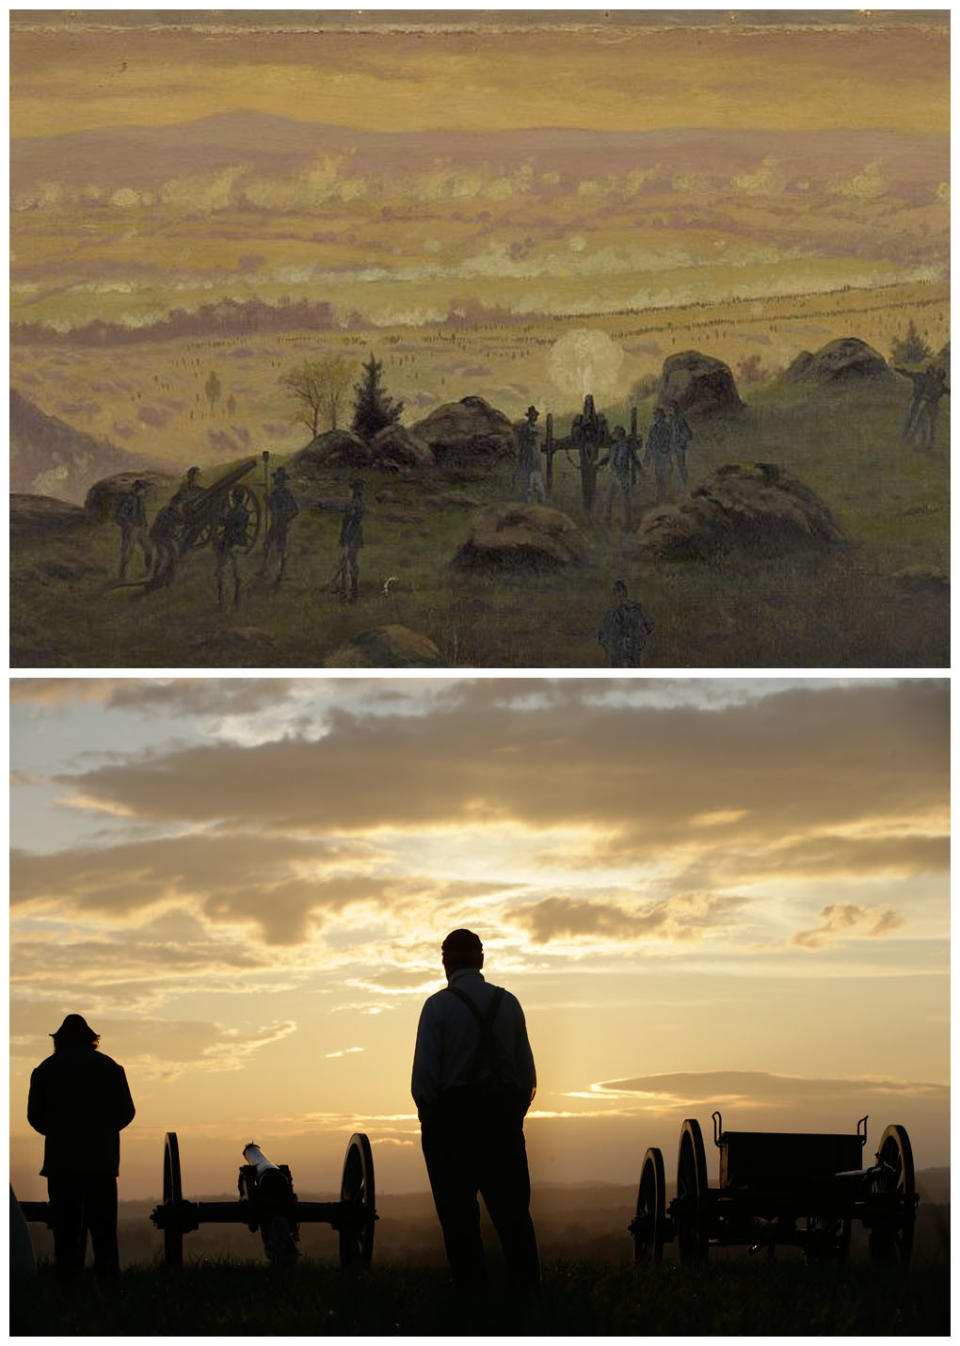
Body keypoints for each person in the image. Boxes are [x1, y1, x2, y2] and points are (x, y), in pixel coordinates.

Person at [412, 929, 540, 1299]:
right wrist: (512, 1115)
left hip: (452, 1124)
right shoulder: (509, 1003)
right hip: (501, 1120)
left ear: (445, 963)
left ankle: (473, 1297)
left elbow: (424, 1081)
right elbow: (527, 1075)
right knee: (514, 1215)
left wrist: (433, 1122)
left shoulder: (437, 1007)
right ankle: (527, 1294)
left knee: (458, 1219)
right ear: (480, 960)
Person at [27, 1014, 135, 1281]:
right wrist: (103, 1132)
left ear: (59, 1041)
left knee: (65, 1228)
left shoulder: (44, 1070)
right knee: (104, 1228)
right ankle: (107, 1280)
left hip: (61, 1161)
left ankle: (67, 1280)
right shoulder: (110, 1068)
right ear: (92, 1040)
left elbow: (35, 1117)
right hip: (101, 1161)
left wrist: (58, 1132)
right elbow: (126, 1112)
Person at [598, 580, 654, 666]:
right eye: (616, 592)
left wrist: (639, 641)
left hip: (633, 652)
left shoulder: (637, 609)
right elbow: (602, 636)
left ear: (624, 592)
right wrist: (610, 648)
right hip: (618, 654)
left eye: (619, 592)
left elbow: (649, 626)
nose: (618, 595)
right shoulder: (612, 614)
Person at [259, 466, 299, 584]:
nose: (276, 481)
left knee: (281, 549)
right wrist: (267, 500)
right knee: (267, 544)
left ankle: (280, 573)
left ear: (282, 481)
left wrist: (286, 518)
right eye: (276, 479)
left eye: (279, 479)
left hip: (281, 525)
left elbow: (295, 510)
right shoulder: (274, 493)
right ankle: (264, 568)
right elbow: (271, 508)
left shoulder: (287, 494)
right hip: (274, 524)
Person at [598, 425, 642, 528]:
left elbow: (635, 460)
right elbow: (605, 458)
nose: (614, 436)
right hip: (614, 476)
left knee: (625, 500)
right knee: (609, 498)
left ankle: (628, 523)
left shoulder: (627, 447)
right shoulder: (613, 448)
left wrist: (641, 470)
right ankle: (606, 521)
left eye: (615, 434)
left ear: (619, 435)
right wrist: (597, 464)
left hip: (624, 476)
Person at [215, 486, 250, 608]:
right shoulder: (243, 511)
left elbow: (232, 528)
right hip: (239, 545)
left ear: (235, 499)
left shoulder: (234, 512)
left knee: (225, 575)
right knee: (238, 576)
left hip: (232, 545)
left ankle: (225, 604)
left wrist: (226, 539)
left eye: (234, 498)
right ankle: (236, 604)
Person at [333, 479, 364, 604]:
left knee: (349, 564)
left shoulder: (355, 504)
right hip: (351, 535)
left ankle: (350, 593)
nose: (349, 491)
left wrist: (344, 535)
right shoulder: (355, 503)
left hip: (352, 535)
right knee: (346, 563)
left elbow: (349, 520)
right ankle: (345, 591)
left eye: (351, 489)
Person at [114, 479, 152, 581]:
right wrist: (129, 525)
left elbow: (142, 515)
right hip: (131, 529)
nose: (145, 491)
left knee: (149, 548)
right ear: (137, 489)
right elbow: (120, 515)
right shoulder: (129, 499)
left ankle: (149, 572)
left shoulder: (140, 500)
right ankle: (123, 577)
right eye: (144, 489)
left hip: (140, 528)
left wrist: (145, 524)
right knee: (127, 553)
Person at [145, 499, 182, 590]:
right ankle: (159, 580)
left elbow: (180, 521)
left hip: (162, 536)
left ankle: (165, 581)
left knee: (168, 557)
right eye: (177, 505)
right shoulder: (168, 513)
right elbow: (168, 526)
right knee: (166, 557)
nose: (178, 507)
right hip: (160, 536)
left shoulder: (168, 511)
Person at [513, 406, 546, 504]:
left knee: (541, 493)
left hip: (536, 465)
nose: (535, 417)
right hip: (528, 465)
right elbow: (526, 439)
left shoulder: (535, 429)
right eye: (533, 415)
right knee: (528, 491)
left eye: (536, 415)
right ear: (529, 416)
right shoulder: (525, 429)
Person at [644, 406, 673, 503]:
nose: (655, 416)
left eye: (657, 414)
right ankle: (659, 497)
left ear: (662, 415)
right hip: (656, 456)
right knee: (658, 476)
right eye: (654, 415)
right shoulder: (653, 428)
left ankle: (666, 497)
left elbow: (671, 441)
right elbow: (649, 442)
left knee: (665, 476)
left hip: (665, 455)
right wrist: (647, 457)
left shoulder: (667, 427)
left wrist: (667, 451)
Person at [669, 400, 693, 489]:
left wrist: (681, 441)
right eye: (670, 408)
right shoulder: (671, 420)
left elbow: (687, 433)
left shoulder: (679, 419)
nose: (670, 410)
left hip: (679, 447)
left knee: (681, 466)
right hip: (672, 447)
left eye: (672, 408)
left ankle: (685, 485)